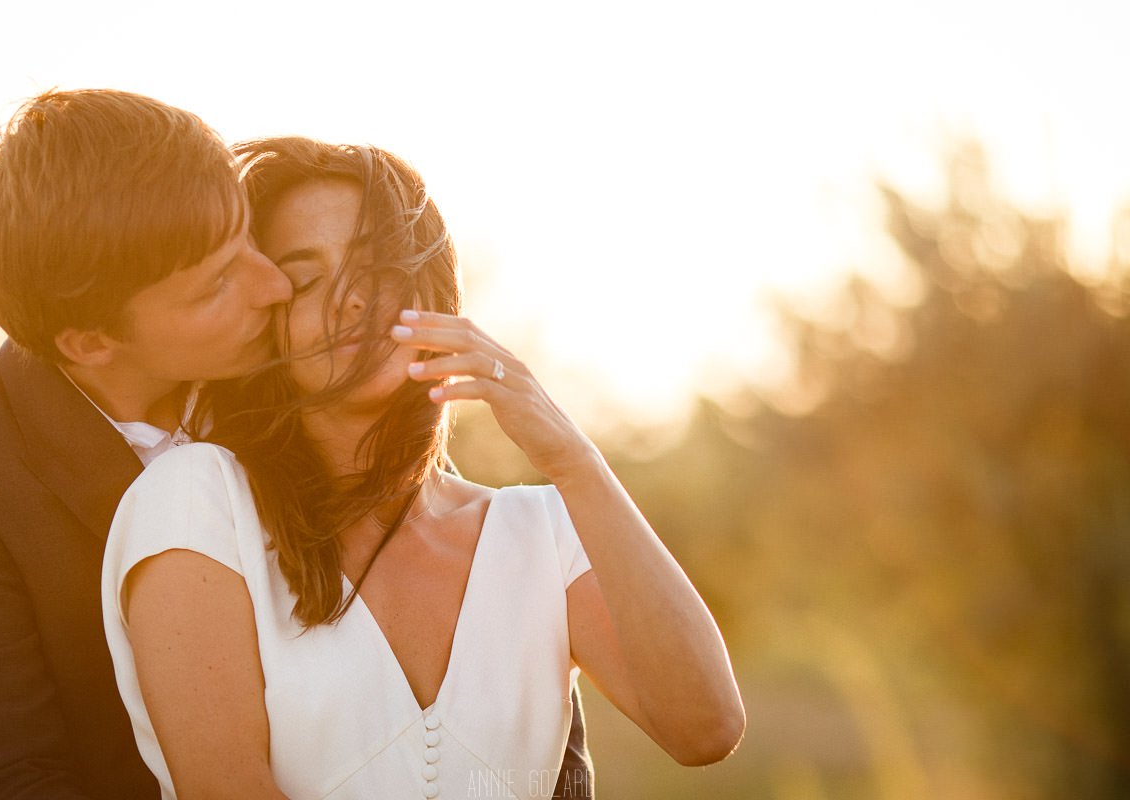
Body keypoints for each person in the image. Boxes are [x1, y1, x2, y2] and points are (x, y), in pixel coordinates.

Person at [0, 90, 595, 799]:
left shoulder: (292, 385)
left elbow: (482, 642)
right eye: (219, 282)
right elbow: (2, 781)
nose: (274, 284)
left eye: (248, 239)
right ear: (92, 342)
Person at [101, 138, 745, 799]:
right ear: (271, 319)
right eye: (306, 278)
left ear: (429, 286)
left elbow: (705, 728)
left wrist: (573, 460)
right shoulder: (197, 500)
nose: (350, 300)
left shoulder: (541, 530)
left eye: (375, 266)